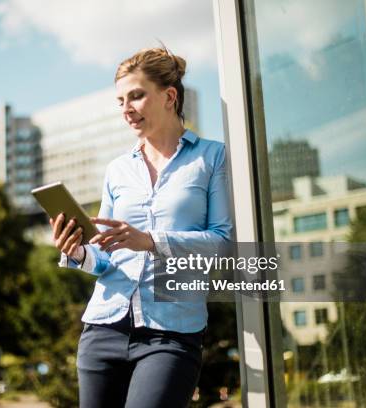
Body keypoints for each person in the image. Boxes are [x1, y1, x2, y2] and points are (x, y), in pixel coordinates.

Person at [49, 46, 232, 408]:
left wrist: (150, 241)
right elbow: (105, 257)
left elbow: (223, 244)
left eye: (136, 96)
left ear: (169, 96)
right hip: (103, 328)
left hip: (172, 335)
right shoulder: (118, 170)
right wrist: (79, 252)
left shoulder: (213, 157)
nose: (126, 109)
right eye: (120, 101)